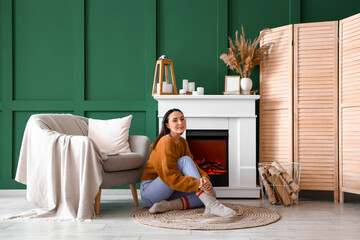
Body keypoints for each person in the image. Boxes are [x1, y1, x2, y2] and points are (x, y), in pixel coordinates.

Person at [140, 108, 236, 217]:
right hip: (151, 192)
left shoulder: (182, 142)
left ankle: (168, 206)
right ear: (167, 125)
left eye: (182, 119)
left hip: (168, 190)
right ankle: (212, 205)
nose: (180, 122)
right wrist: (198, 184)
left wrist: (204, 178)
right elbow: (170, 177)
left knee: (211, 193)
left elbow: (194, 166)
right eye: (175, 120)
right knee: (185, 161)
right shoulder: (166, 141)